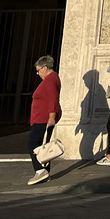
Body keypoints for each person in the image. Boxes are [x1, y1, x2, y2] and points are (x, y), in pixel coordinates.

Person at [28, 54, 61, 186]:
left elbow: (53, 98)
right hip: (42, 117)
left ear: (45, 67)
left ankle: (40, 170)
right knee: (43, 147)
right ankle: (45, 172)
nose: (37, 73)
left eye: (38, 70)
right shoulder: (51, 79)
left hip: (43, 118)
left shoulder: (50, 80)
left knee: (32, 145)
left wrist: (51, 117)